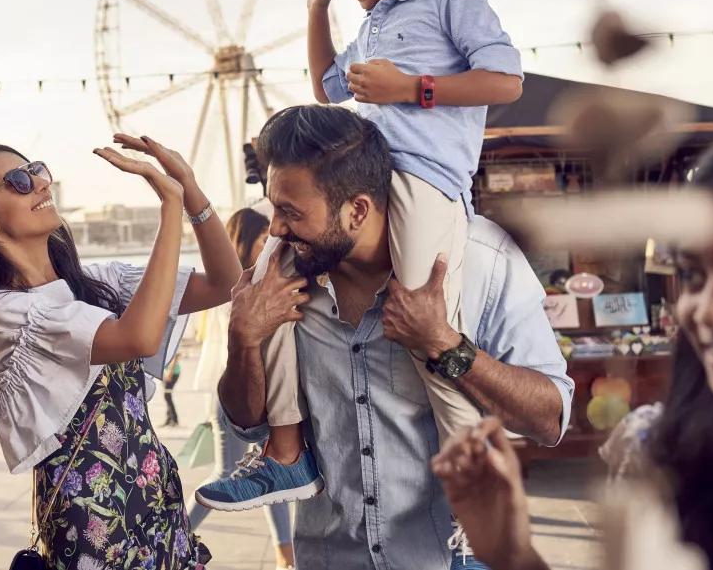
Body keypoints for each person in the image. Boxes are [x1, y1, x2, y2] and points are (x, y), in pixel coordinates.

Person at [198, 0, 525, 522]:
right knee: (270, 280)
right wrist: (317, 10)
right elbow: (326, 88)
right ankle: (287, 452)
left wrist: (412, 88)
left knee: (427, 325)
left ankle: (478, 512)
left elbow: (507, 80)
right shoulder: (372, 20)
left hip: (426, 182)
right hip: (362, 183)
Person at [206, 106, 573, 569]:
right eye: (274, 206)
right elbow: (247, 420)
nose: (275, 228)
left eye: (291, 212)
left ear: (357, 209)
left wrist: (444, 344)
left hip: (450, 558)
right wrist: (242, 338)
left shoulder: (481, 260)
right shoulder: (281, 282)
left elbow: (549, 418)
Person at [433, 118, 713, 570]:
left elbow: (550, 413)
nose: (708, 310)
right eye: (692, 275)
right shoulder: (656, 450)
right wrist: (514, 555)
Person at [0, 134, 242, 569]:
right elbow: (138, 338)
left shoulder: (96, 283)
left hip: (156, 494)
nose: (40, 183)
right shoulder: (2, 313)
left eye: (36, 169)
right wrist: (169, 209)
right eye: (18, 180)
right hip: (92, 518)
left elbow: (225, 282)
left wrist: (187, 189)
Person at [187, 208, 296, 570]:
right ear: (246, 244)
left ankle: (285, 554)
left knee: (274, 470)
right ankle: (177, 532)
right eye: (264, 239)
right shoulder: (237, 286)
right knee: (224, 474)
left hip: (256, 392)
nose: (271, 244)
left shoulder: (252, 282)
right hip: (233, 395)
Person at [162, 352, 182, 427]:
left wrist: (170, 372)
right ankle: (169, 419)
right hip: (166, 372)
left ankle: (174, 419)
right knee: (167, 396)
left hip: (172, 373)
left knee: (167, 396)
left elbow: (177, 355)